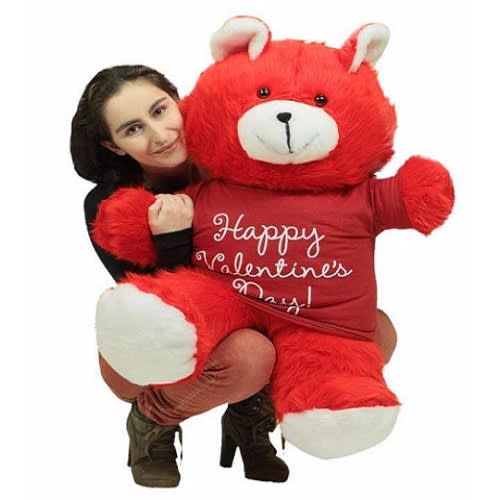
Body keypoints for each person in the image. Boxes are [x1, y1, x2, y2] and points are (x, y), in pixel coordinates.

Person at [71, 65, 398, 487]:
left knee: (370, 332)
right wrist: (172, 238)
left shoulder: (239, 156)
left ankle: (250, 419)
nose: (159, 134)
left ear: (180, 101)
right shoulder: (111, 204)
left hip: (257, 313)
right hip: (156, 348)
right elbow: (155, 306)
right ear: (113, 146)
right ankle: (152, 420)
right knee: (249, 355)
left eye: (160, 110)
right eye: (133, 129)